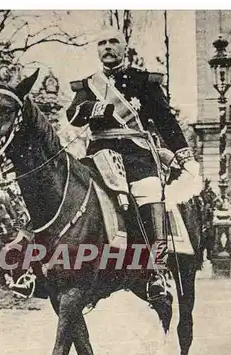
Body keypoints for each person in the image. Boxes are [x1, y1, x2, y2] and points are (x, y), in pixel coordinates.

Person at [66, 27, 202, 300]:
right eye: (102, 42)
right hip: (98, 156)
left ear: (124, 47)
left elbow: (167, 122)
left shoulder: (145, 82)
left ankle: (156, 271)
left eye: (113, 42)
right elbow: (73, 116)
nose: (107, 47)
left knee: (150, 193)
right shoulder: (89, 85)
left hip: (137, 155)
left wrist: (185, 157)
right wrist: (96, 108)